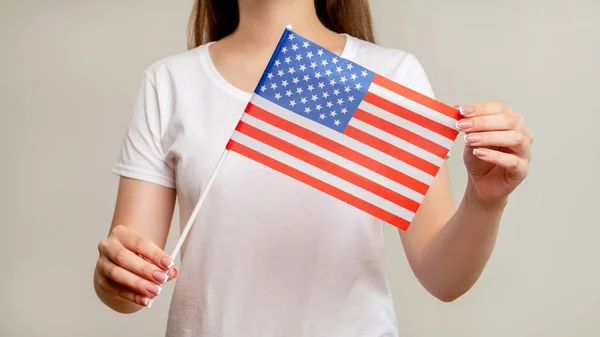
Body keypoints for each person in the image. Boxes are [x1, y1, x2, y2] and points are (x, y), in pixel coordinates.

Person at [93, 0, 533, 336]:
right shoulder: (169, 83)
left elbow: (444, 277)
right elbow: (131, 279)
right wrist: (114, 276)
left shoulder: (388, 77)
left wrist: (485, 201)